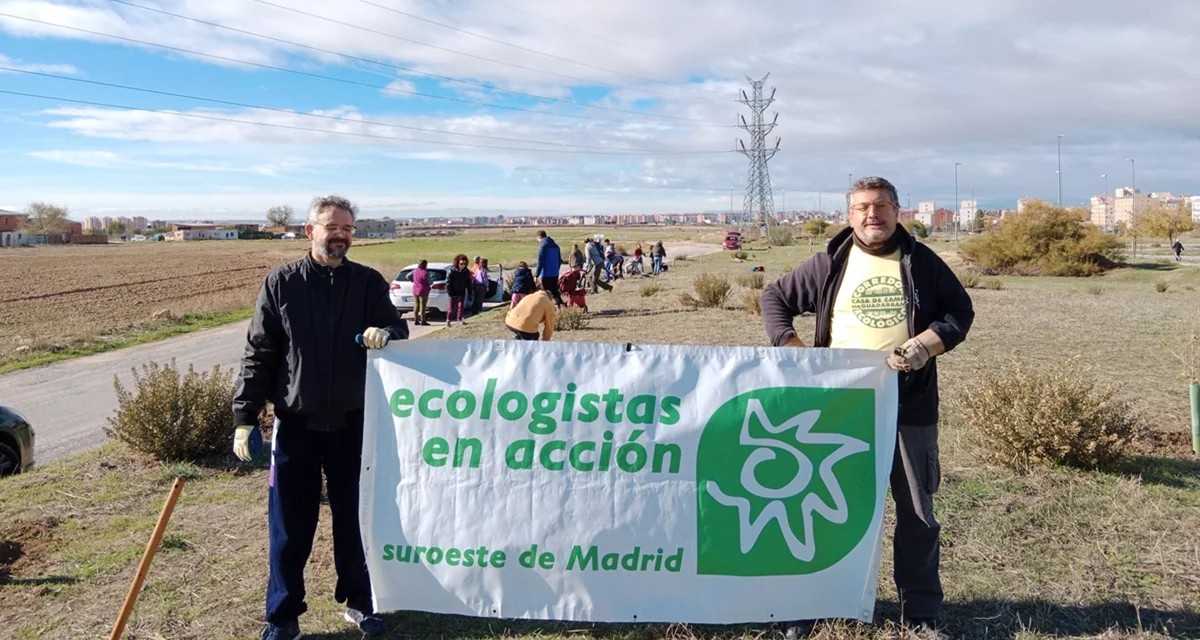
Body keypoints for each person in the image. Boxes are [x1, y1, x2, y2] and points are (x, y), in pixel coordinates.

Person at [760, 176, 974, 636]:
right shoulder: (829, 264)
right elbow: (774, 297)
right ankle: (808, 605)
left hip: (909, 407)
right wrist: (793, 346)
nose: (871, 215)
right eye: (861, 208)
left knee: (917, 512)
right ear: (850, 215)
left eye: (880, 206)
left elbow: (960, 312)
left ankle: (920, 612)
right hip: (836, 411)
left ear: (898, 211)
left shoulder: (923, 263)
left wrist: (928, 345)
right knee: (822, 507)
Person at [232, 195, 408, 640]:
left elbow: (399, 330)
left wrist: (386, 332)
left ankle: (362, 602)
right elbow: (260, 352)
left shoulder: (368, 283)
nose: (341, 236)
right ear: (309, 231)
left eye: (348, 229)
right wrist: (245, 415)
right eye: (333, 228)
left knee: (358, 522)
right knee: (289, 529)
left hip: (354, 426)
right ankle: (283, 615)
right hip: (296, 427)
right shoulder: (282, 283)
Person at [535, 230, 566, 306]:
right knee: (555, 291)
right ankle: (561, 306)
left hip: (546, 274)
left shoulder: (543, 247)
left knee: (547, 294)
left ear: (539, 237)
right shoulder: (556, 246)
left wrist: (536, 275)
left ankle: (548, 309)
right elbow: (559, 260)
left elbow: (540, 261)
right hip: (555, 273)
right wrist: (556, 269)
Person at [446, 253, 471, 326]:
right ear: (457, 263)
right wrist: (450, 293)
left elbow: (468, 283)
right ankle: (448, 320)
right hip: (453, 293)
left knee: (461, 307)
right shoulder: (451, 271)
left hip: (461, 292)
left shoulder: (466, 272)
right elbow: (448, 283)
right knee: (451, 308)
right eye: (461, 263)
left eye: (464, 264)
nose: (463, 265)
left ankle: (460, 319)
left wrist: (470, 293)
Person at [411, 259, 431, 326]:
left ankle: (416, 320)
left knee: (416, 305)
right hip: (423, 290)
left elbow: (407, 276)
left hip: (415, 289)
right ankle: (423, 320)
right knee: (423, 306)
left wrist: (413, 280)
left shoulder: (415, 271)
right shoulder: (425, 272)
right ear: (424, 265)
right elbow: (430, 281)